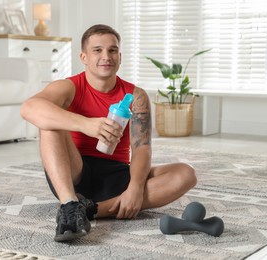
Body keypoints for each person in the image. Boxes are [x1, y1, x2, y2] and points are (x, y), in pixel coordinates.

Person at [20, 24, 197, 242]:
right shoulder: (68, 87)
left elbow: (141, 148)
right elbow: (28, 108)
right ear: (83, 57)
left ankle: (88, 210)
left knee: (185, 173)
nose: (106, 56)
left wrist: (135, 188)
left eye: (112, 50)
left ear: (120, 57)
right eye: (97, 50)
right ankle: (69, 202)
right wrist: (87, 125)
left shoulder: (136, 95)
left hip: (117, 175)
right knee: (48, 120)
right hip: (74, 173)